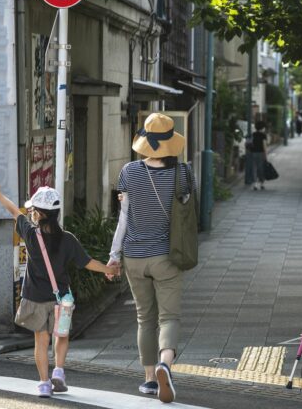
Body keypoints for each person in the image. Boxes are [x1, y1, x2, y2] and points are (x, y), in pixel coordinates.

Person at [0, 183, 119, 398]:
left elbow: (14, 211)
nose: (30, 213)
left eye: (33, 210)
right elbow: (87, 262)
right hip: (61, 300)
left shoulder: (31, 234)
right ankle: (59, 372)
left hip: (35, 299)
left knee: (41, 342)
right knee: (61, 337)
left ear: (39, 213)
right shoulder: (68, 239)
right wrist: (108, 270)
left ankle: (44, 384)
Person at [108, 113, 195, 403]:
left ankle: (148, 380)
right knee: (169, 317)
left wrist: (113, 256)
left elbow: (123, 219)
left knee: (145, 318)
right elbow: (186, 207)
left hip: (133, 256)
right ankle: (164, 364)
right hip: (166, 256)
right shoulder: (183, 174)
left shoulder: (128, 172)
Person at [250, 121, 268, 190]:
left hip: (253, 153)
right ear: (262, 128)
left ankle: (255, 184)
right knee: (261, 168)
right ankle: (261, 184)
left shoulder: (253, 134)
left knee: (254, 168)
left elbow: (251, 143)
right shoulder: (263, 135)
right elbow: (264, 146)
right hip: (261, 153)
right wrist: (266, 155)